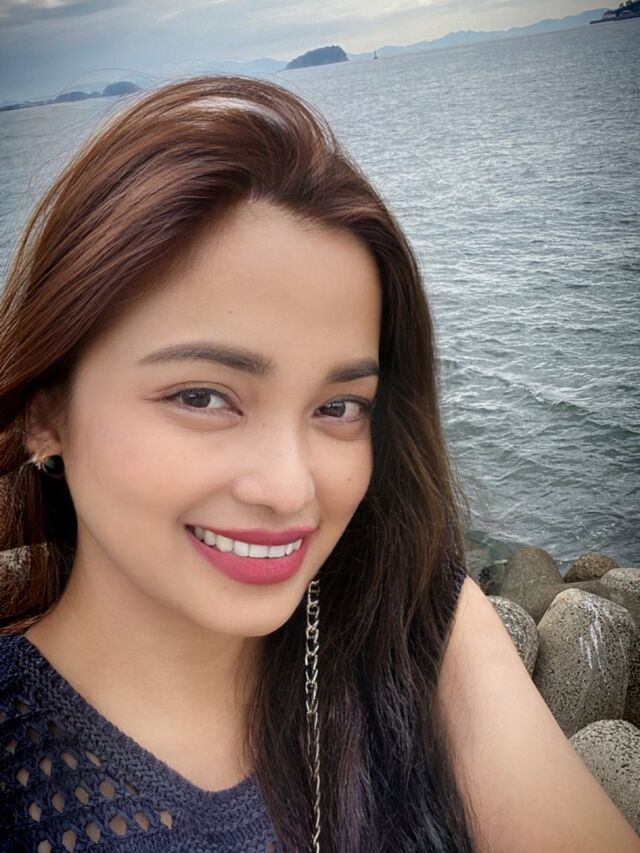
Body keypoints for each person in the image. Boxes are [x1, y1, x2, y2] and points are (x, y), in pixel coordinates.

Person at [0, 75, 637, 853]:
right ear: (45, 414)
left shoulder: (413, 628)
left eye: (339, 406)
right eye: (203, 396)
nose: (289, 487)